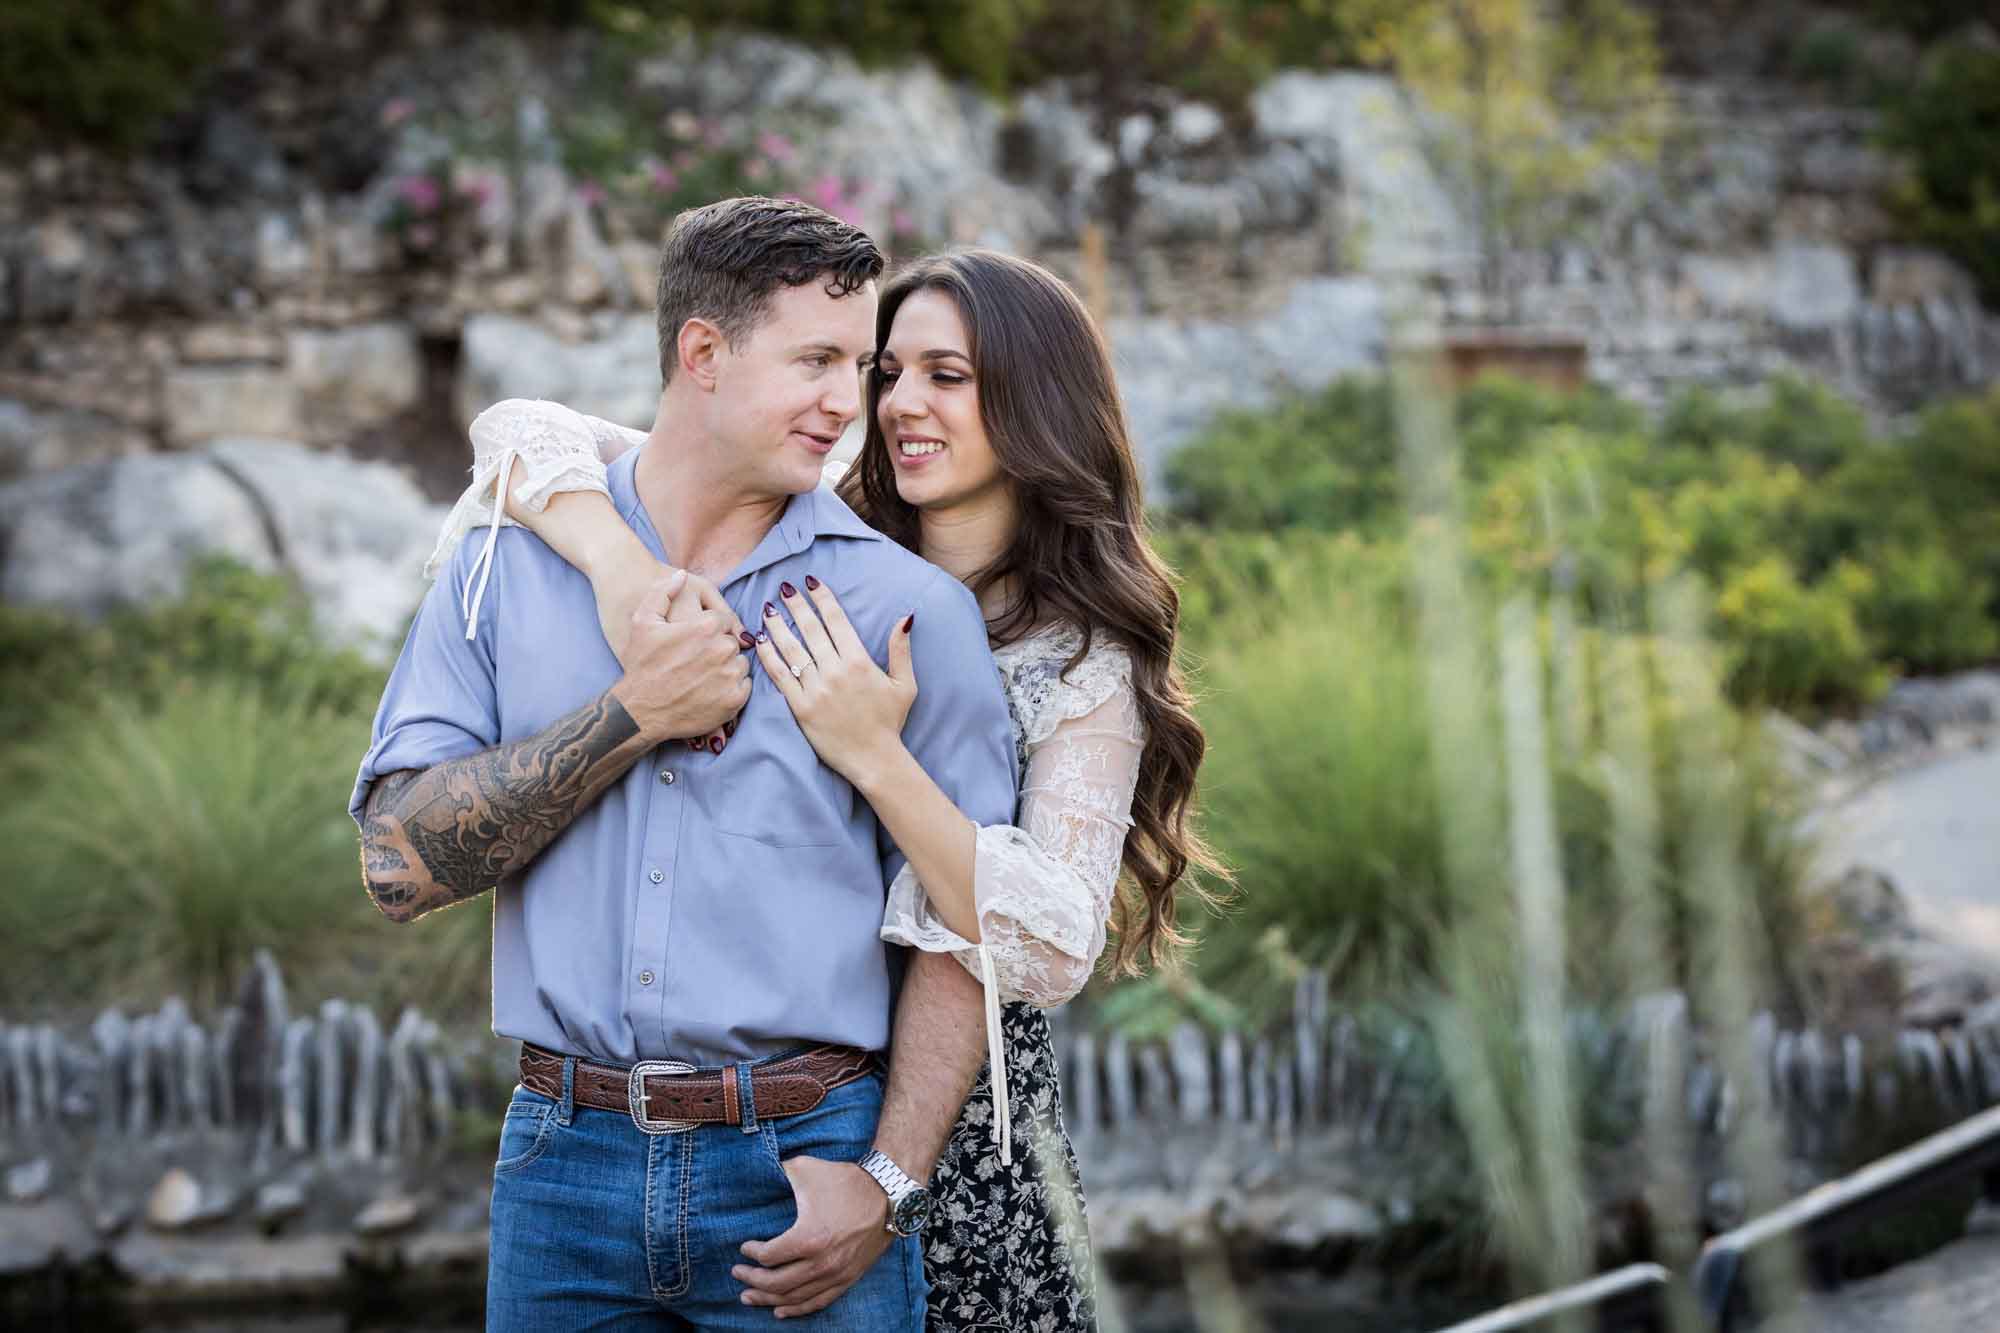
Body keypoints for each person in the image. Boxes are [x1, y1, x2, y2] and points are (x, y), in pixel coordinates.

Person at [431, 247, 1227, 1331]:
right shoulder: (814, 536)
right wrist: (620, 573)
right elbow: (519, 434)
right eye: (885, 372)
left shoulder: (1075, 659)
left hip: (958, 1161)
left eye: (946, 375)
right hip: (775, 1150)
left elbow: (1043, 945)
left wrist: (877, 756)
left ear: (1035, 400)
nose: (898, 404)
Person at [352, 197, 1020, 1330]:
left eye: (854, 366)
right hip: (560, 1176)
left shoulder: (906, 612)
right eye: (814, 359)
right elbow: (396, 867)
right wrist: (631, 714)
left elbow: (963, 932)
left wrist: (890, 1181)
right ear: (700, 353)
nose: (845, 403)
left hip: (807, 1173)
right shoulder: (503, 572)